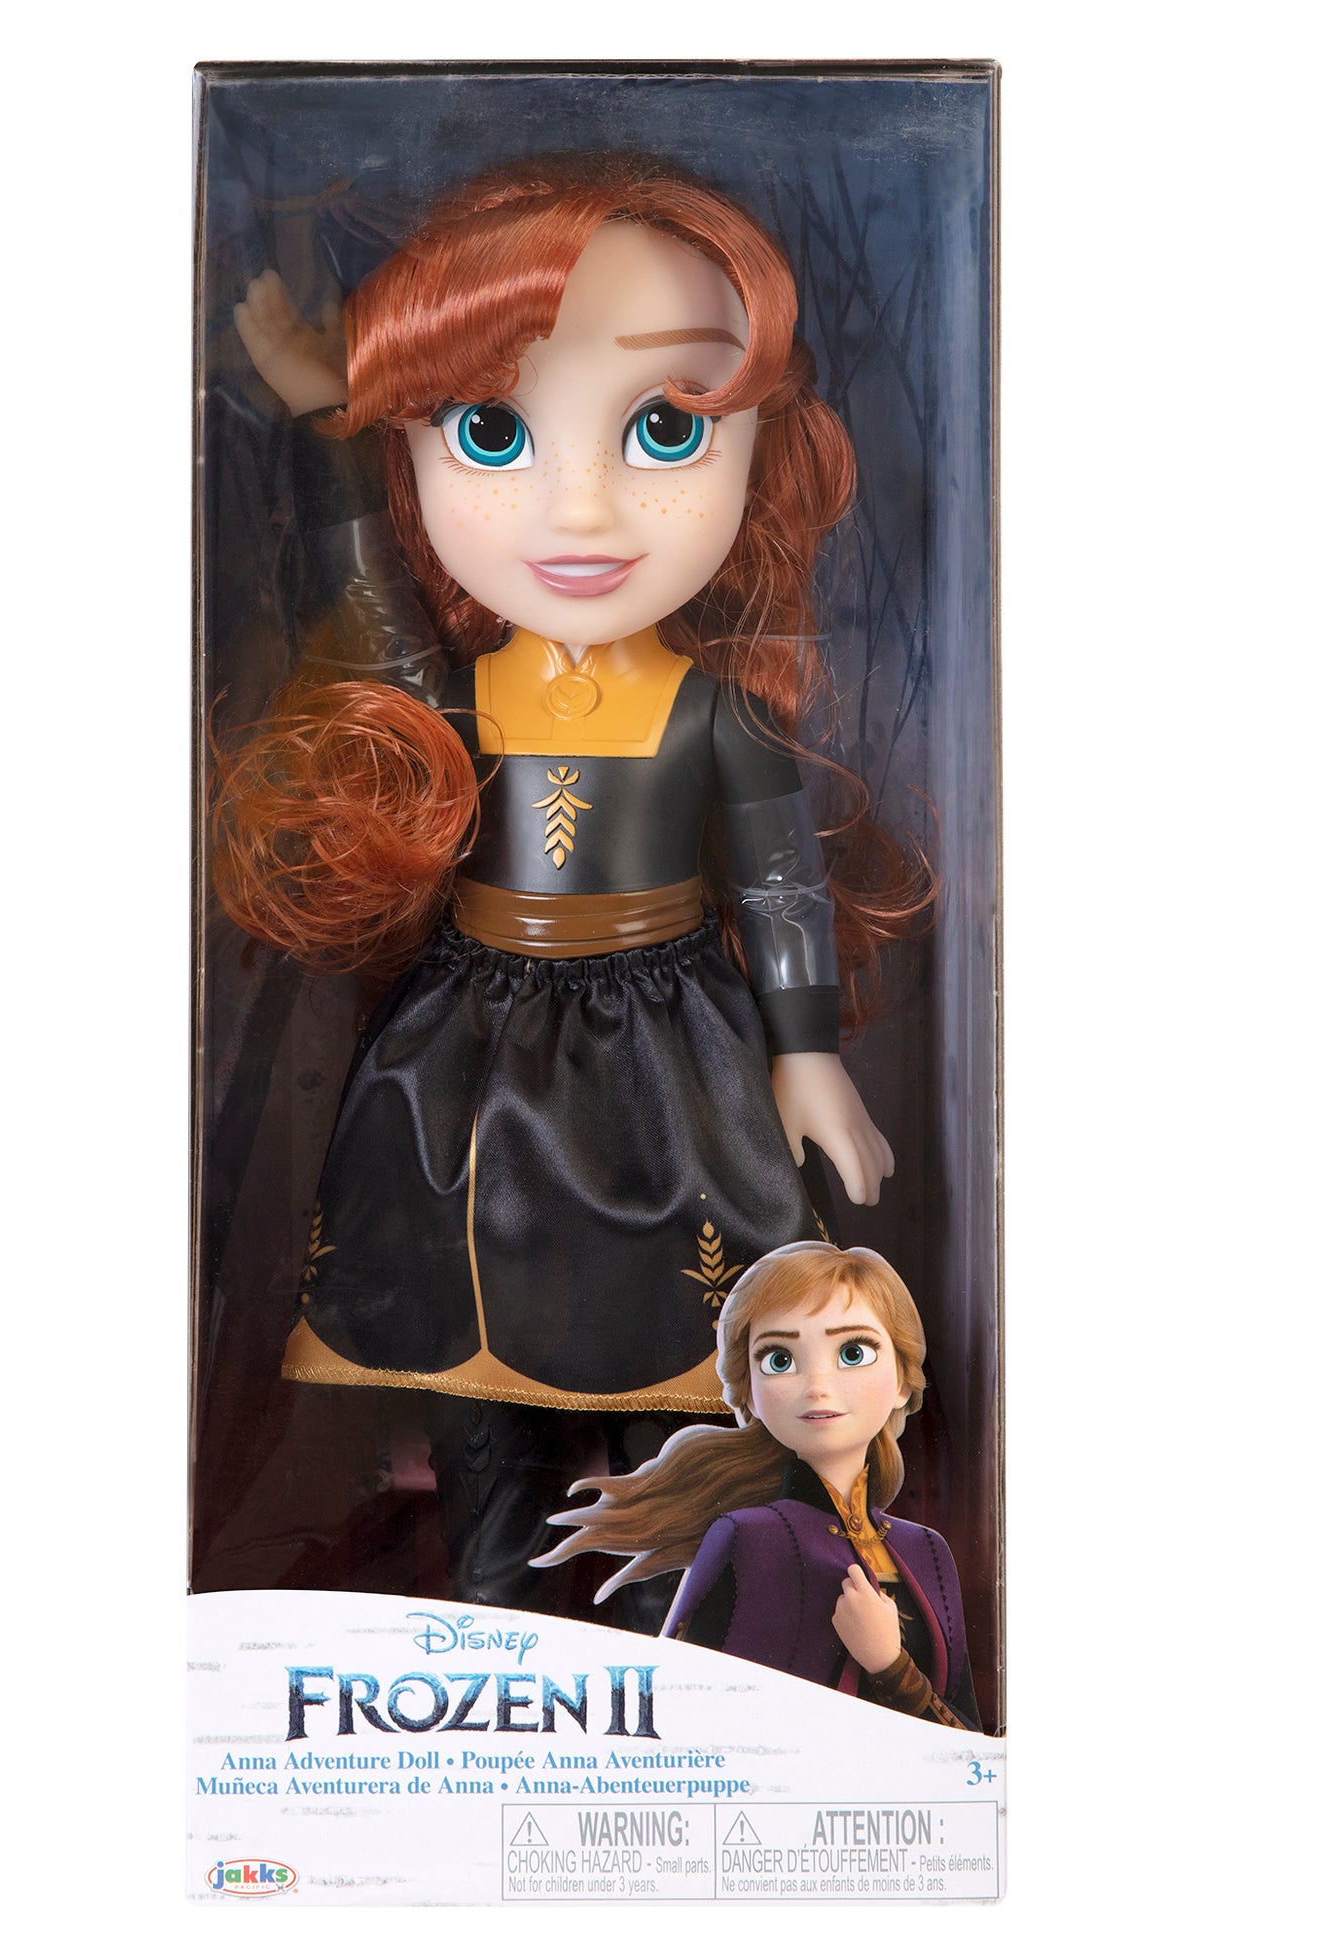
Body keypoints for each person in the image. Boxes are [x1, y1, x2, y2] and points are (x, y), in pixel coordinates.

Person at [212, 155, 926, 1614]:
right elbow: (362, 594)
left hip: (669, 1047)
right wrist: (324, 417)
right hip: (470, 1045)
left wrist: (804, 1055)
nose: (580, 509)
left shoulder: (716, 715)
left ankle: (674, 1623)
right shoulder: (462, 695)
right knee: (473, 1365)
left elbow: (779, 885)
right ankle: (491, 1613)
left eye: (666, 427)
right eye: (490, 430)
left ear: (759, 444)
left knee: (682, 1361)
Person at [536, 1242, 979, 1726]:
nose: (818, 1386)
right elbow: (678, 1710)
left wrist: (890, 1667)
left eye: (853, 1353)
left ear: (902, 1380)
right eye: (779, 1359)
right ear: (748, 1390)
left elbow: (974, 1745)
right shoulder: (747, 1537)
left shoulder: (927, 1551)